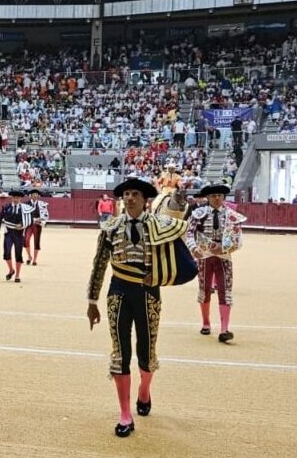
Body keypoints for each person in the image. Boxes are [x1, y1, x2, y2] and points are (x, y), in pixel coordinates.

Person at [85, 177, 188, 438]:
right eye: (126, 194)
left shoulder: (157, 225)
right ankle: (125, 414)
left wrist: (178, 200)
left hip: (147, 293)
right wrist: (92, 301)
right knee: (120, 351)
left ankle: (144, 390)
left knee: (146, 348)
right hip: (118, 292)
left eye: (135, 194)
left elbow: (177, 234)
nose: (129, 198)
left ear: (145, 200)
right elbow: (99, 265)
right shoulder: (110, 228)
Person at [185, 183, 246, 343]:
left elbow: (238, 239)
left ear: (224, 197)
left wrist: (226, 248)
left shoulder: (232, 216)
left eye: (220, 195)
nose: (217, 198)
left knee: (225, 290)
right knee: (204, 289)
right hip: (204, 255)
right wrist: (193, 248)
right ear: (208, 198)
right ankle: (206, 323)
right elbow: (189, 233)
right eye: (213, 196)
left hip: (224, 256)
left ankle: (225, 328)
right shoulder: (199, 213)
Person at [0, 190, 33, 282]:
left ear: (20, 198)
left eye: (18, 198)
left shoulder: (25, 208)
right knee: (7, 253)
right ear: (12, 198)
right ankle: (11, 270)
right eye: (14, 197)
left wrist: (22, 225)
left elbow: (30, 221)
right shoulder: (6, 207)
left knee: (18, 254)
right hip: (8, 233)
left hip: (19, 234)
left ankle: (18, 275)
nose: (16, 199)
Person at [23, 188, 49, 265]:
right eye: (33, 195)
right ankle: (29, 256)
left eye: (36, 195)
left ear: (38, 196)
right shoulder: (26, 204)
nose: (35, 196)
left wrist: (42, 220)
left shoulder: (42, 204)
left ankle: (34, 260)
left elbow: (45, 214)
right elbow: (23, 215)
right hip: (29, 225)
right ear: (30, 196)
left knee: (36, 242)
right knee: (26, 240)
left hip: (37, 225)